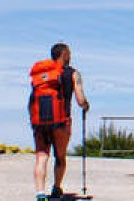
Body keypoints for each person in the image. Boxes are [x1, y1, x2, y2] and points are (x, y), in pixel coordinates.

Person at [31, 42, 90, 201]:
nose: (70, 56)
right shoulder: (73, 73)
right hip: (61, 122)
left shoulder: (42, 73)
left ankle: (40, 194)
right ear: (64, 54)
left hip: (40, 122)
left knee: (41, 157)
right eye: (69, 53)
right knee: (60, 157)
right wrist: (86, 105)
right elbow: (80, 100)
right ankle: (57, 188)